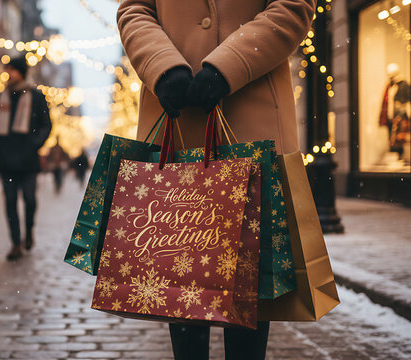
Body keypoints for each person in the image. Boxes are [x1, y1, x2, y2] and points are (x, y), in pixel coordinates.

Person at [117, 0, 316, 359]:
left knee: (250, 288)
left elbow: (292, 6)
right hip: (177, 117)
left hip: (251, 111)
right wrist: (162, 64)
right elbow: (134, 9)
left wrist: (229, 65)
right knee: (178, 278)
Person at [0, 56, 52, 261]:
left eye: (13, 70)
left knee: (30, 200)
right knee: (10, 203)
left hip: (28, 160)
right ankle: (16, 243)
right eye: (8, 70)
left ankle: (29, 231)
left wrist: (35, 143)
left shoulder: (36, 96)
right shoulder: (0, 97)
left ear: (21, 72)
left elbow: (46, 124)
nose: (10, 73)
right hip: (6, 160)